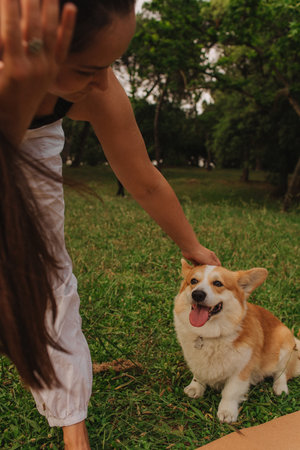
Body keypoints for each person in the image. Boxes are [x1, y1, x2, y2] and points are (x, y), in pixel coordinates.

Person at [0, 1, 221, 448]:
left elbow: (143, 179)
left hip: (33, 133)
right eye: (88, 68)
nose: (103, 82)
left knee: (47, 275)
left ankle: (71, 419)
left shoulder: (98, 89)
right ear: (35, 46)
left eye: (111, 64)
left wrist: (191, 245)